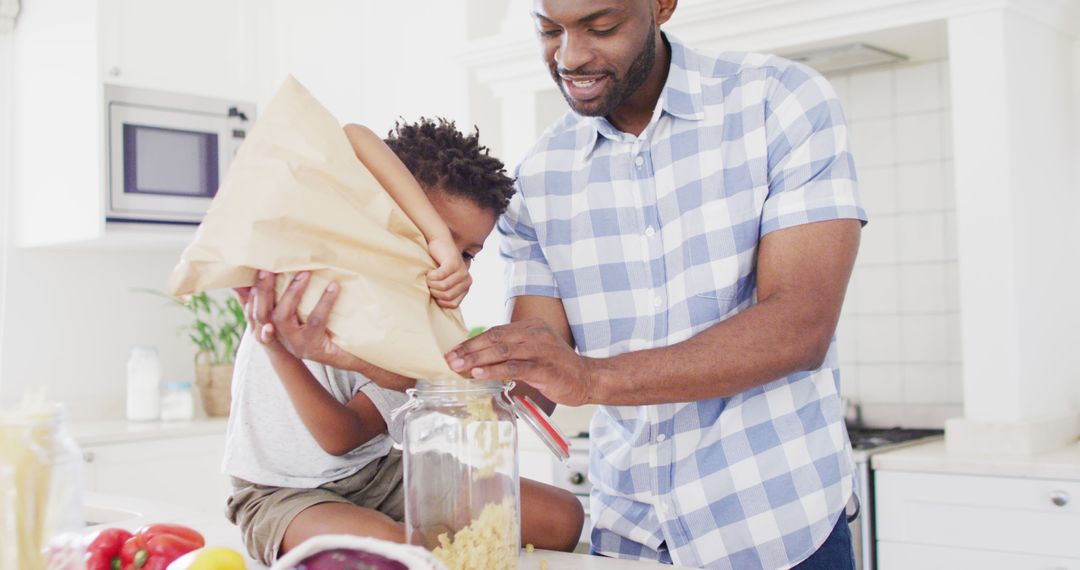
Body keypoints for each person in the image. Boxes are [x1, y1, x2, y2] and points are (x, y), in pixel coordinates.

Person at [444, 1, 867, 568]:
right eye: (549, 30)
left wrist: (592, 378)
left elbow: (800, 326)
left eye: (602, 27)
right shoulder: (540, 176)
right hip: (630, 537)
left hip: (776, 527)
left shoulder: (779, 103)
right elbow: (537, 366)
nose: (571, 56)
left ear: (662, 5)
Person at [223, 118, 585, 566]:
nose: (448, 263)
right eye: (434, 236)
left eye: (467, 253)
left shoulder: (424, 317)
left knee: (562, 518)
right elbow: (355, 136)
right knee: (400, 553)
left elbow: (354, 432)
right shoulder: (320, 255)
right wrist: (282, 349)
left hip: (377, 475)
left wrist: (341, 356)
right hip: (283, 492)